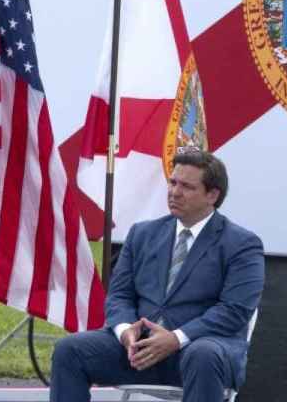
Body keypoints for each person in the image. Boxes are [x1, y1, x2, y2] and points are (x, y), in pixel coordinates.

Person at [50, 149, 264, 402]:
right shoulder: (142, 234)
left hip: (198, 351)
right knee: (69, 350)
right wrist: (125, 331)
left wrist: (176, 338)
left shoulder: (242, 244)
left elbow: (235, 310)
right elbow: (120, 295)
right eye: (173, 182)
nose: (174, 192)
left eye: (186, 186)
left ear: (212, 195)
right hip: (139, 350)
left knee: (203, 354)